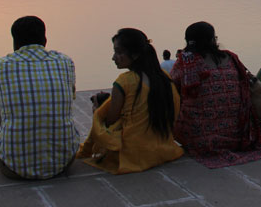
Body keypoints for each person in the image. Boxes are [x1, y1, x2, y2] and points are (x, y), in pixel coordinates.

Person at [0, 16, 80, 179]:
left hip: (14, 167)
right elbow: (71, 96)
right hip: (64, 163)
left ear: (15, 43)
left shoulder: (0, 65)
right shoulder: (65, 62)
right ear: (45, 40)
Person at [169, 21, 261, 167]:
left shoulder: (185, 62)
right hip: (239, 135)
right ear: (213, 40)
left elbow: (172, 88)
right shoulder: (231, 58)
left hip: (201, 140)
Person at [76, 28, 183, 174]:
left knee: (98, 119)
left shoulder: (125, 81)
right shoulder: (163, 77)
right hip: (163, 148)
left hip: (133, 153)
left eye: (119, 52)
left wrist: (97, 111)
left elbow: (110, 121)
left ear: (135, 54)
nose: (114, 57)